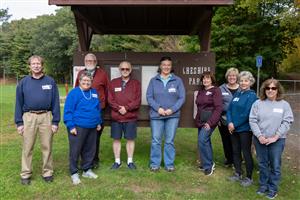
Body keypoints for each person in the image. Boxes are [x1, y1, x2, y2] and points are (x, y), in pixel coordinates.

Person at [14, 55, 60, 185]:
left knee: (47, 146)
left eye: (38, 63)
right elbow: (18, 103)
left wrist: (55, 122)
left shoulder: (50, 82)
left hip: (46, 116)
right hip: (29, 117)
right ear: (30, 66)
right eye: (33, 64)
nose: (36, 66)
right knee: (27, 147)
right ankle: (25, 174)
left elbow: (55, 102)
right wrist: (19, 123)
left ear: (42, 65)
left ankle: (47, 172)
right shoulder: (23, 82)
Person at [249, 79, 293, 199]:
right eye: (268, 88)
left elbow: (287, 121)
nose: (270, 90)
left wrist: (276, 136)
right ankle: (263, 186)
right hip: (260, 139)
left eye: (273, 88)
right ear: (264, 89)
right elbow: (252, 120)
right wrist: (259, 136)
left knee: (275, 165)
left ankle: (273, 188)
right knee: (263, 164)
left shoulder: (284, 105)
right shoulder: (258, 103)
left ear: (278, 90)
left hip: (277, 141)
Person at [146, 56, 186, 172]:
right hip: (156, 115)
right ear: (160, 66)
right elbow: (149, 97)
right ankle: (155, 164)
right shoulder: (154, 80)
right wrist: (158, 108)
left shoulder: (177, 80)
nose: (166, 67)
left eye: (168, 65)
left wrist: (172, 109)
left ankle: (169, 164)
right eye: (164, 65)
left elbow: (182, 98)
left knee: (169, 141)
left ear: (171, 66)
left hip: (172, 116)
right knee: (156, 140)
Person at [64, 72, 102, 185]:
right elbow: (68, 111)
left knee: (90, 149)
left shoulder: (94, 92)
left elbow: (97, 108)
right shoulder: (74, 93)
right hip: (78, 126)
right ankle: (74, 172)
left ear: (91, 82)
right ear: (79, 81)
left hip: (92, 126)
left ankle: (86, 170)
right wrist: (71, 126)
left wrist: (98, 122)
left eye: (88, 81)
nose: (86, 83)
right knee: (75, 150)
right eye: (84, 81)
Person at [75, 53, 109, 169]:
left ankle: (94, 159)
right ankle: (83, 160)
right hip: (83, 110)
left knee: (95, 137)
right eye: (87, 60)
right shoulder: (81, 73)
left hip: (98, 110)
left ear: (96, 62)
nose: (90, 62)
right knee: (82, 136)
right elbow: (76, 90)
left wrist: (104, 105)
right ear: (85, 62)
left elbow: (107, 90)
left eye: (92, 60)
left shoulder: (102, 74)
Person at [108, 61, 141, 170]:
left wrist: (126, 108)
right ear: (119, 69)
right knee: (116, 139)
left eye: (127, 69)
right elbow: (110, 99)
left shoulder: (136, 83)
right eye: (123, 69)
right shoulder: (113, 83)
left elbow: (137, 100)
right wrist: (119, 109)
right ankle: (117, 161)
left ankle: (130, 161)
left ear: (130, 70)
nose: (125, 71)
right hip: (116, 117)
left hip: (130, 117)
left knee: (130, 139)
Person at [226, 71, 257, 187]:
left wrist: (234, 124)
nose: (243, 83)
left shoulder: (252, 95)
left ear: (250, 82)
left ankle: (249, 177)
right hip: (232, 128)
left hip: (244, 129)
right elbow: (229, 110)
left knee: (246, 152)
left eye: (246, 81)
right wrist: (229, 122)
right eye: (242, 80)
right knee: (235, 151)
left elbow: (247, 113)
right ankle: (238, 173)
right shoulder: (237, 94)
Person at [195, 71, 222, 176]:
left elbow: (218, 108)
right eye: (204, 79)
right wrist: (198, 121)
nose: (205, 80)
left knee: (202, 140)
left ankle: (208, 166)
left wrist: (210, 123)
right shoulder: (201, 91)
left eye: (208, 78)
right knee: (205, 141)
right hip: (201, 121)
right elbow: (199, 107)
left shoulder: (216, 90)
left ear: (212, 80)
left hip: (210, 121)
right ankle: (208, 162)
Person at [218, 68, 240, 167]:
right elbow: (217, 105)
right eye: (230, 75)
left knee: (237, 142)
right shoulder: (221, 88)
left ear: (237, 77)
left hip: (239, 121)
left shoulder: (242, 88)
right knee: (226, 141)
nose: (232, 77)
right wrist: (218, 118)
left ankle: (238, 160)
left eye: (234, 76)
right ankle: (229, 159)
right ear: (227, 77)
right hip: (224, 120)